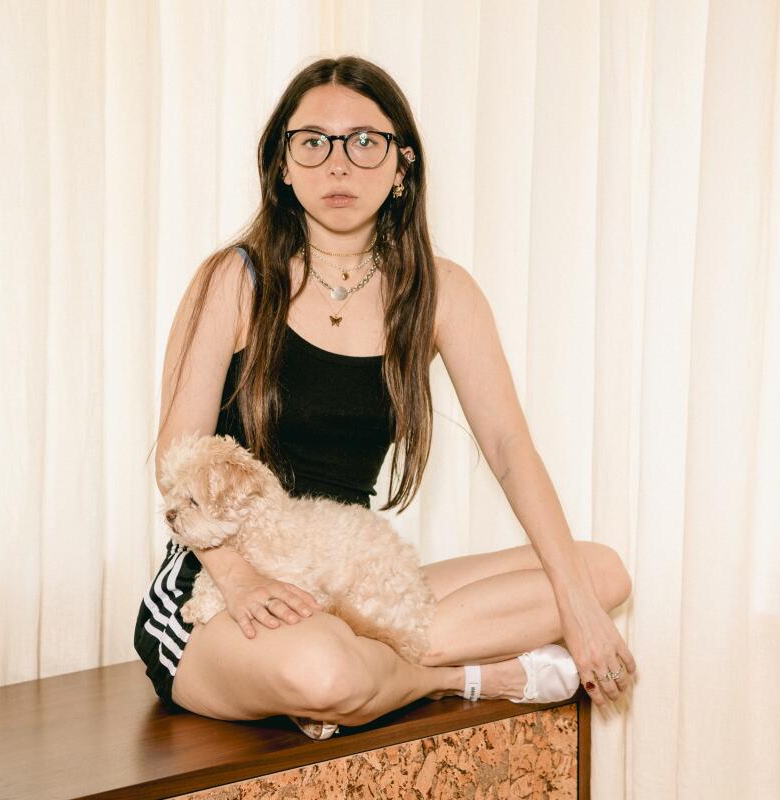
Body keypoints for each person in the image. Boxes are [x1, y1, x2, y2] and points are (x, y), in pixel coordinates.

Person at [134, 55, 636, 739]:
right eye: (313, 142)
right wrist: (245, 581)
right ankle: (473, 676)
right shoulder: (236, 279)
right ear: (283, 165)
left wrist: (578, 607)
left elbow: (509, 449)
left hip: (349, 577)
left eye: (365, 142)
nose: (338, 164)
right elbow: (177, 458)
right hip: (220, 586)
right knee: (327, 674)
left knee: (600, 573)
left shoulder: (441, 292)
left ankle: (374, 648)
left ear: (402, 167)